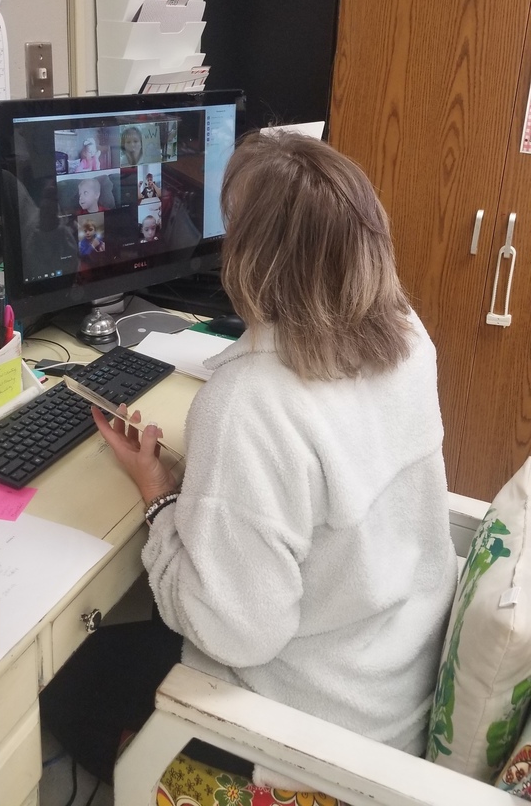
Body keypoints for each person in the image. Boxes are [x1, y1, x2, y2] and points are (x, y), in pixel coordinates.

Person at [41, 131, 457, 786]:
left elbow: (236, 636)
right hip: (394, 684)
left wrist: (161, 496)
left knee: (67, 683)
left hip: (311, 740)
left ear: (251, 256)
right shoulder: (405, 335)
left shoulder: (249, 403)